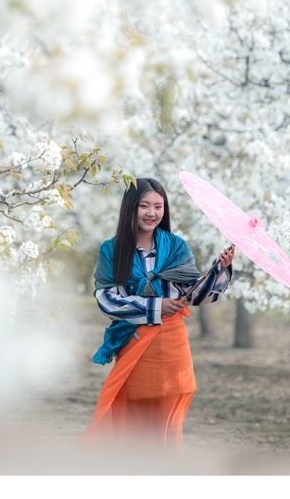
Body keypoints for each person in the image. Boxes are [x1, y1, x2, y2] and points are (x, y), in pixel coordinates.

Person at [81, 177, 234, 450]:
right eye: (144, 206)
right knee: (133, 407)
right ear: (130, 208)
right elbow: (107, 300)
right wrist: (155, 307)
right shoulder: (112, 250)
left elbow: (196, 296)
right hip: (135, 341)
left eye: (158, 207)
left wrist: (218, 269)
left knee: (169, 406)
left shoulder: (176, 247)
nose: (152, 213)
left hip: (173, 343)